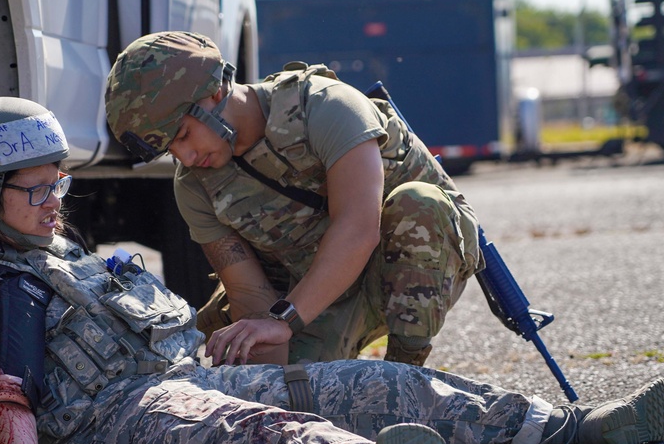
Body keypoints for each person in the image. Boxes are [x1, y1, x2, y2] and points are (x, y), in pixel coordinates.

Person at [0, 96, 664, 444]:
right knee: (254, 431)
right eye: (37, 187)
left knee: (369, 383)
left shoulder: (46, 253)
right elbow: (6, 389)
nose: (56, 201)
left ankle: (567, 424)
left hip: (172, 377)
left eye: (61, 183)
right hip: (103, 422)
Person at [104, 30, 482, 367]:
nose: (185, 157)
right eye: (171, 149)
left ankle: (406, 375)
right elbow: (249, 294)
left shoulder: (326, 106)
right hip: (313, 294)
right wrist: (267, 388)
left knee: (419, 203)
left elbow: (358, 229)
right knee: (295, 393)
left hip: (404, 268)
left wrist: (283, 320)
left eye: (183, 134)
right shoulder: (194, 185)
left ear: (214, 92)